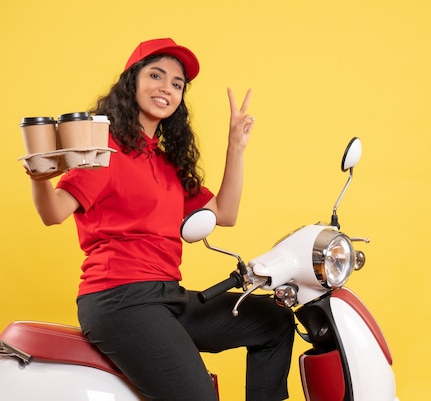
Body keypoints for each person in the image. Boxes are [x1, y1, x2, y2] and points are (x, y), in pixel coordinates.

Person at [25, 38, 295, 401]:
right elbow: (53, 213)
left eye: (177, 84)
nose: (166, 88)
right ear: (132, 81)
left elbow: (225, 213)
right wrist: (40, 177)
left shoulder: (167, 164)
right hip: (119, 299)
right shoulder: (104, 150)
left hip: (167, 296)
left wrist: (236, 146)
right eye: (156, 75)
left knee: (272, 320)